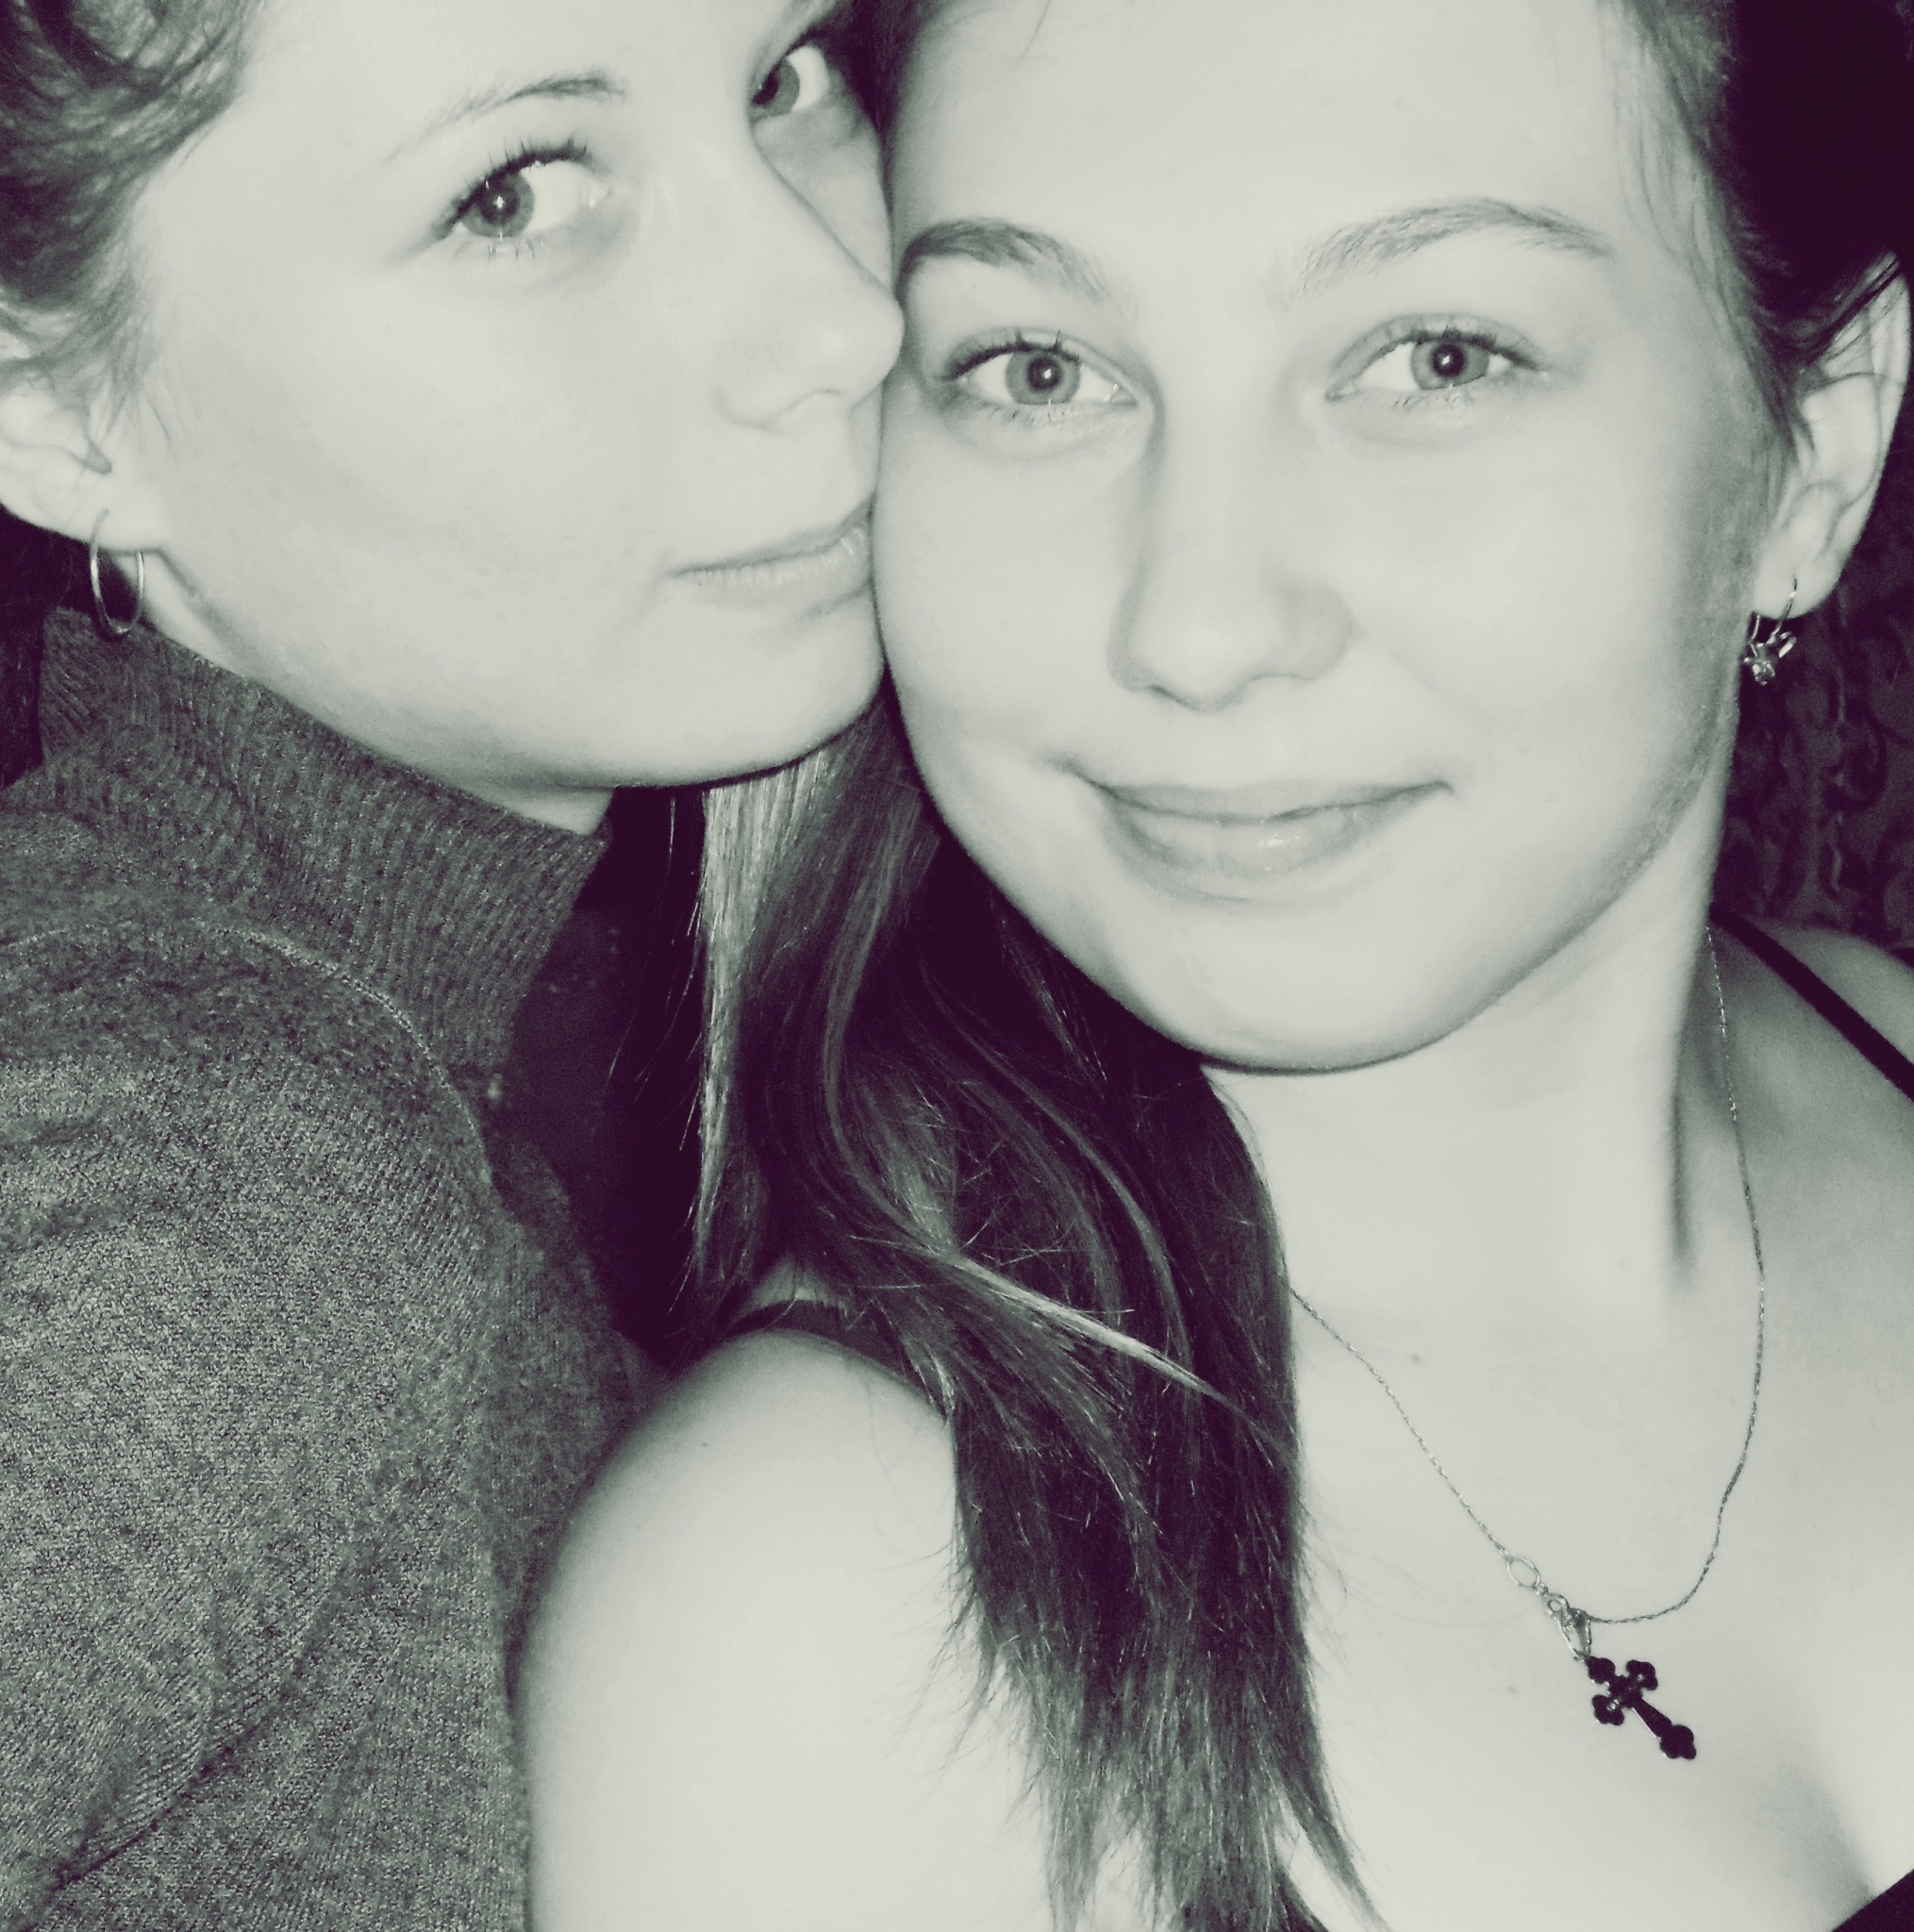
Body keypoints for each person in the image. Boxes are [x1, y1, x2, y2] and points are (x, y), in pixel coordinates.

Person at [517, 0, 1914, 1926]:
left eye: (1433, 357)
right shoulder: (809, 1634)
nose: (1197, 622)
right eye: (1037, 370)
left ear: (1812, 448)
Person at [0, 0, 899, 1922]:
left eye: (783, 75)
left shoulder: (298, 1045)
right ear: (52, 409)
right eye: (514, 191)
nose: (841, 316)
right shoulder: (199, 1151)